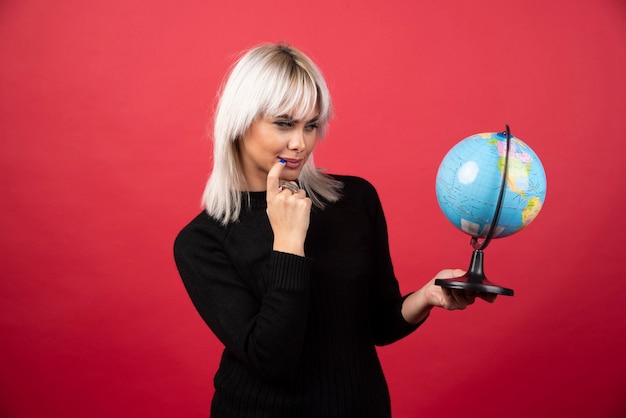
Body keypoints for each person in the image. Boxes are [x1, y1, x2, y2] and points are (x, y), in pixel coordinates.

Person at [173, 42, 496, 418]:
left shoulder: (355, 199)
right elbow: (271, 358)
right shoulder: (203, 241)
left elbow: (377, 325)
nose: (301, 143)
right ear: (240, 122)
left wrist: (427, 296)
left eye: (311, 125)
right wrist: (289, 242)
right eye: (283, 123)